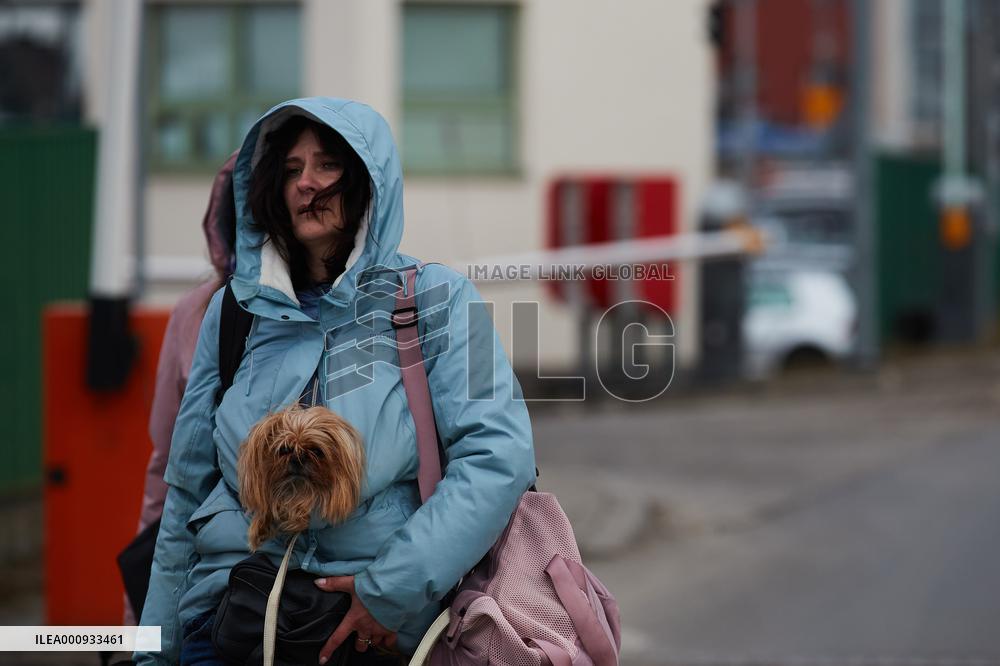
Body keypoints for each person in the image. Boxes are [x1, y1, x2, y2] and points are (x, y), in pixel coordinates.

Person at [135, 98, 536, 665]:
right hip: (228, 621)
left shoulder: (436, 298)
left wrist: (389, 589)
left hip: (372, 629)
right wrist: (152, 651)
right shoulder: (232, 314)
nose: (307, 183)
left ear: (369, 181)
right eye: (292, 169)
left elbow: (499, 456)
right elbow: (185, 493)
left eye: (327, 165)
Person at [123, 153, 237, 627]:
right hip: (205, 589)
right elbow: (167, 469)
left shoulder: (349, 313)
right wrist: (139, 623)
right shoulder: (194, 312)